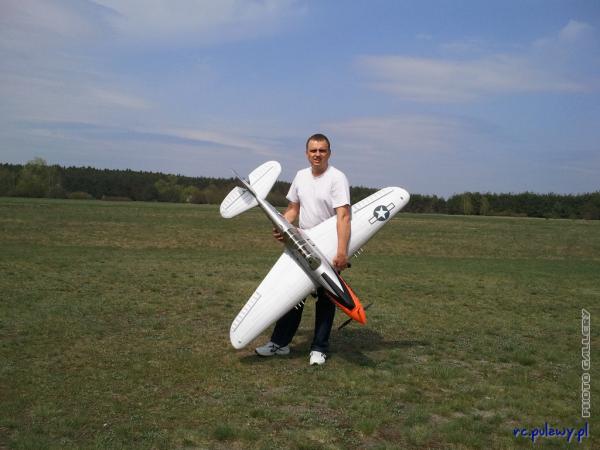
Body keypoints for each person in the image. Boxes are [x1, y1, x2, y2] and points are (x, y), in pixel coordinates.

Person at [255, 133, 351, 366]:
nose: (317, 154)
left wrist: (341, 252)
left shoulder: (337, 178)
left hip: (328, 247)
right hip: (303, 243)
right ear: (307, 153)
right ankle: (280, 343)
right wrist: (283, 226)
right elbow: (293, 208)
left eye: (322, 150)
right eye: (313, 150)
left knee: (326, 300)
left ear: (329, 153)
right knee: (292, 295)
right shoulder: (300, 176)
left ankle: (319, 348)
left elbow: (344, 217)